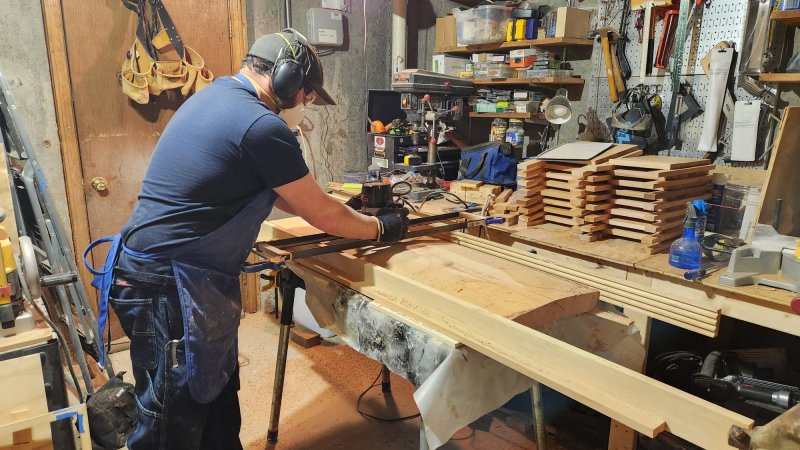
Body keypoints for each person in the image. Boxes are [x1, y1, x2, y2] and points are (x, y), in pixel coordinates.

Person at [84, 29, 408, 449]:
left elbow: (290, 197)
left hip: (172, 277)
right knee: (173, 416)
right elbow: (319, 211)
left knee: (215, 396)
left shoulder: (214, 97)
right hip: (167, 285)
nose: (306, 104)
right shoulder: (260, 126)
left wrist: (350, 212)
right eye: (307, 94)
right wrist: (380, 227)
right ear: (288, 78)